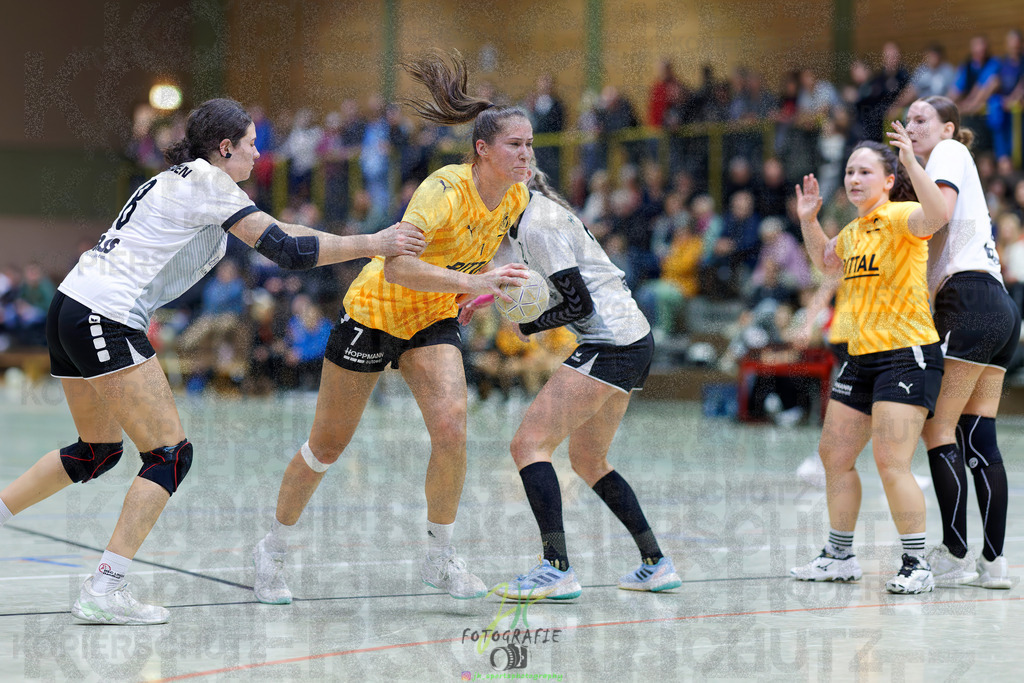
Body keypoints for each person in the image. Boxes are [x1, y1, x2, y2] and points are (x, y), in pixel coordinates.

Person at [0, 98, 425, 625]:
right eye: (250, 144)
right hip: (103, 313)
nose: (258, 152)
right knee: (169, 456)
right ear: (224, 148)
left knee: (97, 451)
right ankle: (105, 587)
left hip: (73, 305)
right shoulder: (210, 184)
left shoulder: (180, 180)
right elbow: (288, 250)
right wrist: (375, 242)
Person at [251, 50, 532, 604]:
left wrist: (491, 288)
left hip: (430, 320)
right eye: (515, 145)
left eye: (529, 145)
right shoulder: (443, 191)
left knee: (452, 428)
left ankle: (440, 555)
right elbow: (399, 265)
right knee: (326, 446)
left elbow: (480, 261)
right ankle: (272, 550)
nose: (526, 154)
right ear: (483, 150)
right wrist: (475, 284)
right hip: (374, 315)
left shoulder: (517, 196)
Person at [460, 166, 681, 599]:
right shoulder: (528, 220)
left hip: (610, 341)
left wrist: (532, 326)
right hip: (632, 337)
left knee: (528, 445)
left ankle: (556, 567)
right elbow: (526, 281)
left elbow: (577, 302)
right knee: (588, 459)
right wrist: (481, 297)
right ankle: (655, 562)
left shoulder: (538, 226)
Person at [789, 130, 949, 594]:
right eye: (851, 171)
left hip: (906, 355)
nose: (855, 178)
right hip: (861, 359)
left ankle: (916, 562)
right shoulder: (855, 230)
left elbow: (937, 213)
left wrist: (912, 163)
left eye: (865, 172)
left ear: (888, 180)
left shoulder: (900, 216)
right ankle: (839, 555)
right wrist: (808, 219)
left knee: (889, 459)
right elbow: (826, 262)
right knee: (834, 455)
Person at [904, 96, 1021, 589]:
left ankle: (954, 551)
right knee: (978, 436)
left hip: (969, 302)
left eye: (920, 120)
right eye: (907, 120)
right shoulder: (950, 164)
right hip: (999, 309)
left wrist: (909, 166)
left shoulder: (947, 154)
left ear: (948, 127)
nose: (911, 127)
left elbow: (937, 217)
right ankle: (993, 564)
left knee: (938, 429)